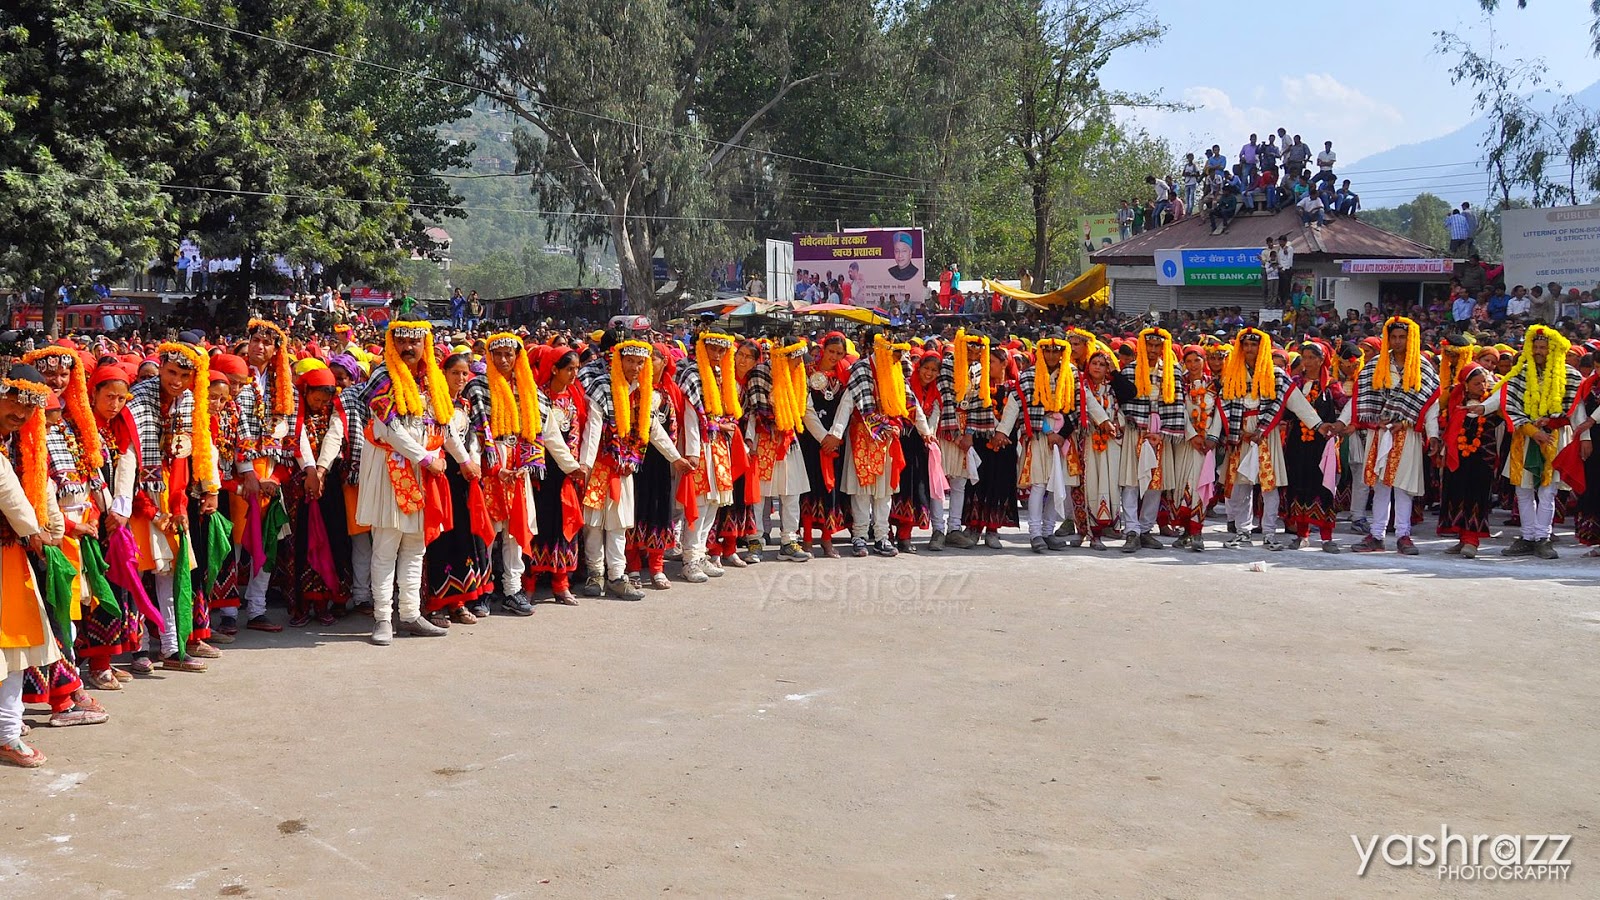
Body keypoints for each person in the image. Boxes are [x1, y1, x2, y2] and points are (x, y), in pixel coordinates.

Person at [355, 319, 456, 645]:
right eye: (402, 341)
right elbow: (390, 431)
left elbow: (445, 425)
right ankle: (383, 618)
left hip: (423, 474)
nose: (408, 348)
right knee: (386, 546)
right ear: (392, 343)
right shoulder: (383, 376)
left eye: (415, 341)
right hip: (391, 471)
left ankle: (410, 614)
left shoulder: (432, 380)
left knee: (415, 546)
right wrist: (426, 458)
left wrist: (465, 461)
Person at [126, 337, 221, 670]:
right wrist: (146, 504)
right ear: (161, 367)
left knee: (168, 568)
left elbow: (191, 451)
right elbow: (131, 455)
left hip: (172, 491)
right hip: (137, 492)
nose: (176, 382)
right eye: (171, 372)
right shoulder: (138, 398)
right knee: (138, 569)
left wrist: (180, 503)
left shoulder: (190, 401)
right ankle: (139, 648)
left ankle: (171, 646)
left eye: (184, 376)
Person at [0, 365, 72, 767]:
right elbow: (5, 486)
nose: (21, 412)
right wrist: (33, 531)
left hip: (10, 557)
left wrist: (50, 530)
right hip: (15, 547)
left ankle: (8, 733)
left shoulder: (25, 442)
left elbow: (41, 485)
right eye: (15, 401)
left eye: (31, 406)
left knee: (14, 644)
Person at [1218, 329, 1330, 550]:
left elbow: (1297, 402)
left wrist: (1318, 425)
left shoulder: (1276, 374)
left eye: (1254, 345)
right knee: (1242, 487)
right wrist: (1217, 435)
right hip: (1240, 435)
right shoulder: (1233, 373)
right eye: (1246, 345)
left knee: (1270, 487)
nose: (1249, 349)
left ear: (1263, 349)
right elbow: (1223, 408)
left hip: (1265, 436)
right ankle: (1243, 532)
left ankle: (1269, 533)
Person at [580, 338, 672, 600]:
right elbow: (593, 429)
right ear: (618, 361)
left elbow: (654, 429)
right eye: (630, 361)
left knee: (619, 525)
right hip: (599, 467)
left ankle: (617, 576)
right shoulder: (600, 387)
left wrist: (675, 458)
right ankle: (595, 574)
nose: (634, 366)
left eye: (640, 362)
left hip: (625, 470)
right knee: (594, 525)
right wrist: (585, 465)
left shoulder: (644, 393)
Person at [1347, 317, 1441, 554]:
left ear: (1412, 339)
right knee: (1380, 485)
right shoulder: (1376, 364)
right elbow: (1360, 398)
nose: (1398, 342)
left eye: (1402, 337)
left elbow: (1430, 405)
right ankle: (1377, 535)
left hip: (1407, 434)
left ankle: (1403, 535)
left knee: (1403, 486)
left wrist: (1433, 435)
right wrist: (1345, 422)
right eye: (1394, 337)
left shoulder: (1423, 367)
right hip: (1380, 432)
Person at [420, 353, 493, 626]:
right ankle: (435, 603)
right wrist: (463, 463)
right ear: (444, 373)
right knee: (440, 538)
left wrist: (472, 462)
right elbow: (443, 437)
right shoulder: (433, 401)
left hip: (462, 475)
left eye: (465, 374)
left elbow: (471, 436)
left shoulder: (464, 403)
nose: (461, 379)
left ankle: (458, 602)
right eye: (455, 373)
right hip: (440, 473)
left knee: (463, 537)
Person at [841, 333, 930, 557]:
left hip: (887, 440)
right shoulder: (861, 370)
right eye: (896, 353)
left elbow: (912, 404)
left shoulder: (895, 371)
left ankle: (882, 536)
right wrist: (833, 434)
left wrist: (926, 432)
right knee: (861, 491)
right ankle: (860, 536)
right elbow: (846, 404)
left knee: (884, 493)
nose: (899, 358)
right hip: (862, 437)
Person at [278, 364, 352, 627]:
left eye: (325, 400)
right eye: (316, 398)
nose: (320, 404)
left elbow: (334, 438)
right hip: (299, 486)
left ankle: (324, 602)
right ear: (305, 390)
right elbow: (297, 441)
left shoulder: (333, 412)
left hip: (326, 482)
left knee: (329, 540)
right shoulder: (291, 410)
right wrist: (310, 473)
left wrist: (320, 472)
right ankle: (300, 605)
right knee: (300, 542)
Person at [1498, 325, 1580, 559]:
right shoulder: (1520, 373)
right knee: (1523, 491)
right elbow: (1505, 402)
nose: (1538, 351)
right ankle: (1528, 536)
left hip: (1553, 439)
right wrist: (1533, 431)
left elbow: (1575, 411)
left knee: (1547, 492)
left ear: (1552, 349)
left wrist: (1576, 434)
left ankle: (1543, 537)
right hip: (1525, 437)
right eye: (1535, 347)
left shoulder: (1570, 375)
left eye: (1543, 347)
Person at [479, 333, 544, 616]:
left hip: (519, 468)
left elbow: (539, 431)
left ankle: (513, 589)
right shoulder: (480, 387)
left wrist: (530, 462)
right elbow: (476, 431)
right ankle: (483, 590)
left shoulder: (529, 389)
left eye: (510, 354)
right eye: (499, 354)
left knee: (515, 534)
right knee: (488, 532)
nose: (504, 360)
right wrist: (494, 467)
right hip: (491, 466)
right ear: (490, 357)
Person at [675, 331, 740, 582]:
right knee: (699, 503)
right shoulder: (692, 374)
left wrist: (724, 427)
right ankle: (690, 559)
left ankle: (701, 553)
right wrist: (692, 453)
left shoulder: (723, 375)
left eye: (722, 350)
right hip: (700, 447)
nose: (717, 354)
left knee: (714, 502)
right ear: (703, 348)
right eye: (713, 348)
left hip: (719, 447)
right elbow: (691, 417)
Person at [744, 338, 813, 562]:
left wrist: (827, 436)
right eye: (795, 358)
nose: (799, 363)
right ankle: (755, 540)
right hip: (762, 439)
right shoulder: (760, 373)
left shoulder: (798, 376)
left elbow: (804, 409)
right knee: (759, 495)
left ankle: (789, 540)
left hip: (788, 439)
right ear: (783, 357)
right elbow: (756, 412)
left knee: (791, 493)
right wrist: (750, 442)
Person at [1117, 328, 1186, 552]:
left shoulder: (1173, 371)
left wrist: (1162, 432)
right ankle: (1132, 531)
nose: (1154, 350)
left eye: (1158, 346)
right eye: (1150, 346)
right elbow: (1122, 403)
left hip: (1161, 435)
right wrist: (1136, 424)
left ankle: (1145, 530)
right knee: (1131, 482)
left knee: (1155, 485)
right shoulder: (1129, 371)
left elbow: (1178, 403)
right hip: (1135, 431)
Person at [527, 346, 586, 601]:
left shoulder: (574, 398)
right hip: (541, 471)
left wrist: (573, 465)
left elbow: (576, 432)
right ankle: (527, 584)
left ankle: (561, 583)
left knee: (564, 524)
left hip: (565, 471)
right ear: (554, 369)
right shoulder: (539, 398)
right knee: (538, 525)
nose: (574, 374)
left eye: (576, 369)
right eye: (569, 369)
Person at [1279, 340, 1345, 551]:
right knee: (1299, 484)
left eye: (1311, 358)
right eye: (1304, 358)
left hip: (1322, 445)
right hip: (1298, 443)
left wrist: (1338, 425)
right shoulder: (1295, 384)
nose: (1307, 362)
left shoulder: (1331, 385)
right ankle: (1302, 534)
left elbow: (1344, 405)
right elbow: (1287, 411)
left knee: (1323, 487)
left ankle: (1327, 537)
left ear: (1321, 359)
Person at [799, 333, 852, 558]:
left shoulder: (845, 376)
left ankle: (827, 538)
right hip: (812, 439)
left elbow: (845, 407)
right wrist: (822, 437)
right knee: (810, 487)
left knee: (831, 488)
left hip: (835, 439)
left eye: (839, 354)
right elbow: (806, 409)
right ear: (823, 349)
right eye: (831, 351)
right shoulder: (807, 372)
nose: (834, 356)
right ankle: (808, 538)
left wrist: (835, 435)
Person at [1437, 362, 1497, 558]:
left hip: (1481, 460)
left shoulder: (1491, 405)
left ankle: (1472, 540)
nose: (1482, 387)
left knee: (1476, 496)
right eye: (1477, 383)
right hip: (1459, 459)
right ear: (1466, 385)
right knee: (1457, 494)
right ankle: (1463, 538)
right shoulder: (1455, 403)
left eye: (1484, 382)